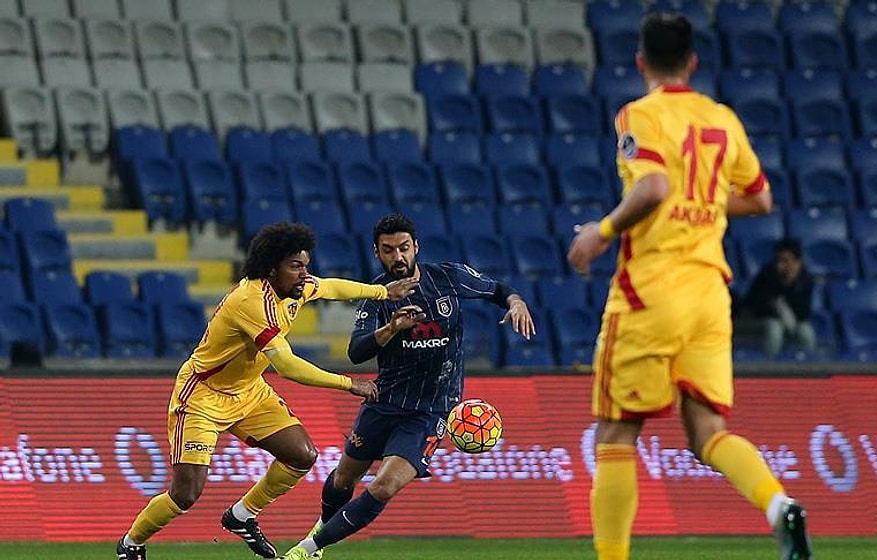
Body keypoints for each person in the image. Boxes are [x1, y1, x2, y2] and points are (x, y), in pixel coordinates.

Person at [567, 13, 813, 560]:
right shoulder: (721, 117)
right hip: (709, 293)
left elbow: (653, 186)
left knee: (615, 435)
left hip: (650, 290)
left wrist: (600, 233)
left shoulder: (640, 114)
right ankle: (778, 506)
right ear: (693, 62)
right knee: (706, 431)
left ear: (640, 62)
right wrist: (698, 202)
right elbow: (760, 198)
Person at [116, 222, 418, 560]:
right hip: (204, 396)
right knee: (186, 494)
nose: (305, 275)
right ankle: (131, 543)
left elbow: (331, 287)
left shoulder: (294, 288)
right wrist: (348, 383)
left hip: (250, 391)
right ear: (271, 268)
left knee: (302, 456)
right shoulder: (251, 302)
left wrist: (383, 292)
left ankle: (242, 515)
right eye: (295, 266)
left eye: (305, 265)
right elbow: (287, 366)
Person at [278, 213, 536, 560]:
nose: (397, 257)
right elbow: (356, 352)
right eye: (388, 250)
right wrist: (391, 330)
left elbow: (500, 291)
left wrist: (516, 303)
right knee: (343, 479)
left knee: (383, 486)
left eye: (403, 248)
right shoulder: (377, 296)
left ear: (416, 247)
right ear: (377, 252)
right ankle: (322, 527)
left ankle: (307, 549)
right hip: (384, 401)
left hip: (430, 410)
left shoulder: (447, 277)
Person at [738, 237, 817, 357]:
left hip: (790, 323)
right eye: (778, 261)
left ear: (797, 262)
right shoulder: (766, 275)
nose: (780, 266)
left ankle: (807, 367)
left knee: (806, 331)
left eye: (785, 261)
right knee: (774, 328)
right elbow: (754, 306)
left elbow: (803, 314)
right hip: (757, 322)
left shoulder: (805, 281)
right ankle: (769, 368)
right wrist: (776, 307)